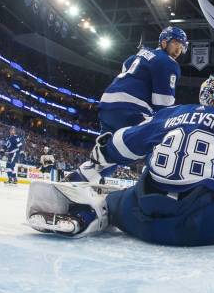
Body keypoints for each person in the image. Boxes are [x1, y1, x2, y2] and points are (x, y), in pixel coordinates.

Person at [25, 73, 214, 245]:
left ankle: (89, 214)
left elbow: (120, 144)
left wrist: (98, 157)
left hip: (140, 219)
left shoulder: (171, 114)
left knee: (117, 201)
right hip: (196, 225)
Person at [67, 26, 189, 182]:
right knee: (154, 140)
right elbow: (163, 103)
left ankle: (82, 177)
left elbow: (126, 66)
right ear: (164, 42)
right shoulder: (168, 63)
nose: (179, 50)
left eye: (182, 47)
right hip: (130, 107)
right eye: (176, 44)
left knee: (113, 147)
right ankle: (157, 184)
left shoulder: (138, 55)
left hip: (107, 104)